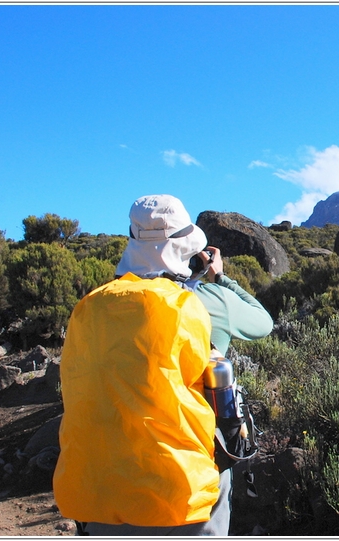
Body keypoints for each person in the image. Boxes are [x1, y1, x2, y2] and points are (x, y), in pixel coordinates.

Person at [53, 194, 274, 536]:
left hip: (99, 486)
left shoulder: (93, 307)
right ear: (188, 248)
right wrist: (220, 277)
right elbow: (263, 323)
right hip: (182, 491)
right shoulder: (208, 302)